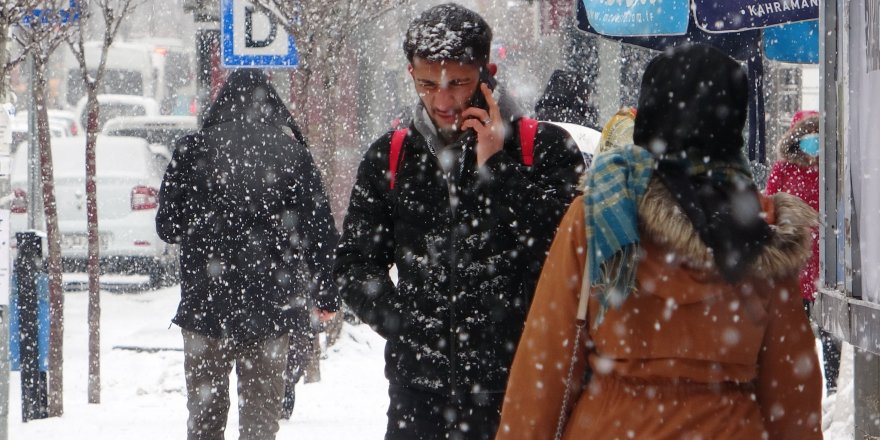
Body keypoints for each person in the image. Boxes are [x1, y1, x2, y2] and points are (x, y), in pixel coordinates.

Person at [497, 44, 823, 439]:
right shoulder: (761, 229)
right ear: (734, 123)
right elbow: (791, 389)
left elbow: (545, 363)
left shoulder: (601, 212)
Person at [334, 3, 584, 439]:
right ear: (410, 72)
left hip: (518, 390)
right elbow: (354, 265)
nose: (443, 100)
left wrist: (497, 169)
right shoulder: (390, 157)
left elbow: (564, 253)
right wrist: (406, 325)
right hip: (418, 399)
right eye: (427, 84)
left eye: (459, 84)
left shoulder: (542, 148)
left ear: (486, 73)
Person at [155, 69, 339, 440]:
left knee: (204, 424)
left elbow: (168, 228)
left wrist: (204, 220)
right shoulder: (294, 156)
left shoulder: (192, 150)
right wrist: (327, 295)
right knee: (260, 425)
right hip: (272, 309)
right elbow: (320, 233)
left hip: (206, 309)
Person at [766, 110, 842, 395]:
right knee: (794, 332)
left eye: (817, 136)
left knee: (830, 330)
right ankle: (794, 388)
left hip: (826, 263)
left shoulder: (831, 168)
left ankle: (832, 389)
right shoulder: (784, 169)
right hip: (794, 262)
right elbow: (770, 205)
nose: (813, 143)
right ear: (797, 139)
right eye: (808, 136)